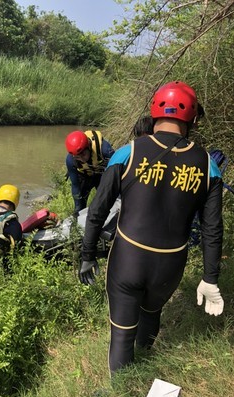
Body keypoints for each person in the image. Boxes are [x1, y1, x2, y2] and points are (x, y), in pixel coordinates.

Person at [79, 81, 224, 376]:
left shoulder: (127, 153)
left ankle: (121, 392)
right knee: (151, 313)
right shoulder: (209, 166)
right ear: (193, 119)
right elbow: (212, 229)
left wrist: (87, 254)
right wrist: (209, 279)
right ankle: (144, 365)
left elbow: (97, 210)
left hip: (128, 259)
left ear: (154, 112)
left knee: (122, 334)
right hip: (170, 265)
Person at [65, 130, 114, 216]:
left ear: (89, 147)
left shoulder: (105, 150)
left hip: (101, 173)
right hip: (84, 175)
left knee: (107, 199)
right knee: (80, 205)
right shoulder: (70, 160)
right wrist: (78, 207)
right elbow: (75, 185)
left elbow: (117, 171)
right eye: (78, 157)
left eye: (83, 154)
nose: (82, 159)